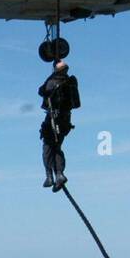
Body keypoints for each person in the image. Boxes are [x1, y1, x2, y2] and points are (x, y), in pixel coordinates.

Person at [38, 61, 81, 191]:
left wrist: (51, 76)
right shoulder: (70, 82)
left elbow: (41, 90)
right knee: (57, 147)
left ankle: (50, 176)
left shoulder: (52, 82)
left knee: (47, 147)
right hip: (65, 120)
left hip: (53, 119)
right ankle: (59, 174)